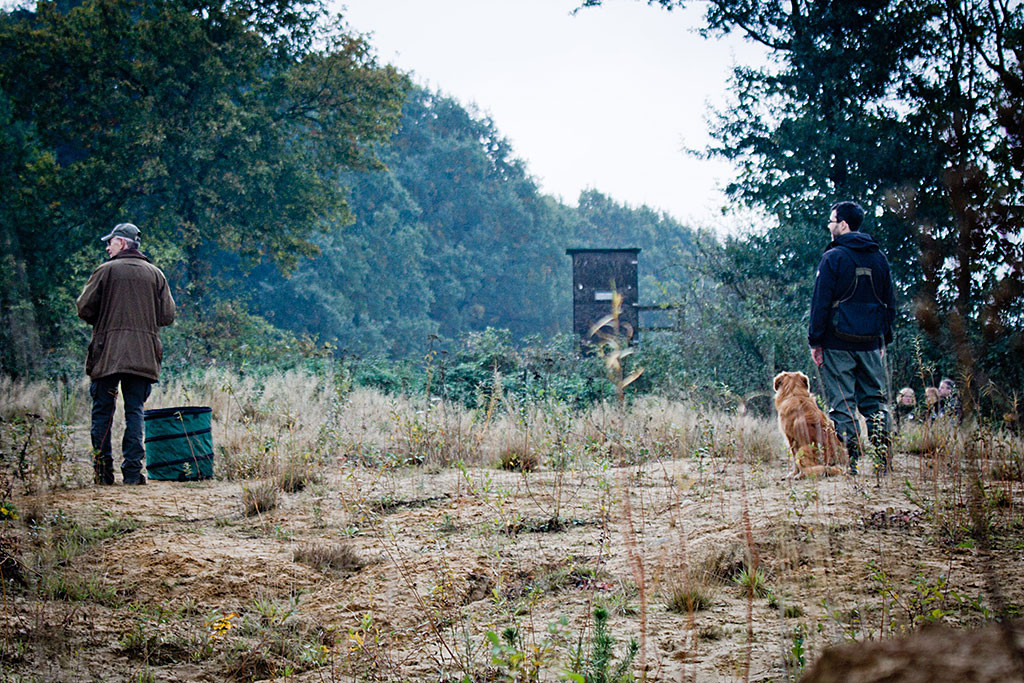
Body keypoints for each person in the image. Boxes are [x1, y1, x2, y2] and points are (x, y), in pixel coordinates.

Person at [76, 223, 175, 485]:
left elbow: (84, 308)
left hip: (107, 354)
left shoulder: (104, 271)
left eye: (110, 243)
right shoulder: (156, 275)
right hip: (143, 355)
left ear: (121, 243)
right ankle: (132, 473)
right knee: (135, 411)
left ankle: (103, 473)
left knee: (103, 412)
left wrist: (106, 320)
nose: (107, 248)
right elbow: (167, 316)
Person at [808, 201, 896, 475]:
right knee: (875, 402)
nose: (829, 226)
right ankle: (883, 462)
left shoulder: (833, 258)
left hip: (837, 342)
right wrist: (884, 339)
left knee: (843, 403)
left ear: (843, 224)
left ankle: (852, 462)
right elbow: (889, 303)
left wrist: (815, 341)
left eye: (832, 221)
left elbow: (820, 302)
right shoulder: (879, 258)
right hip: (871, 342)